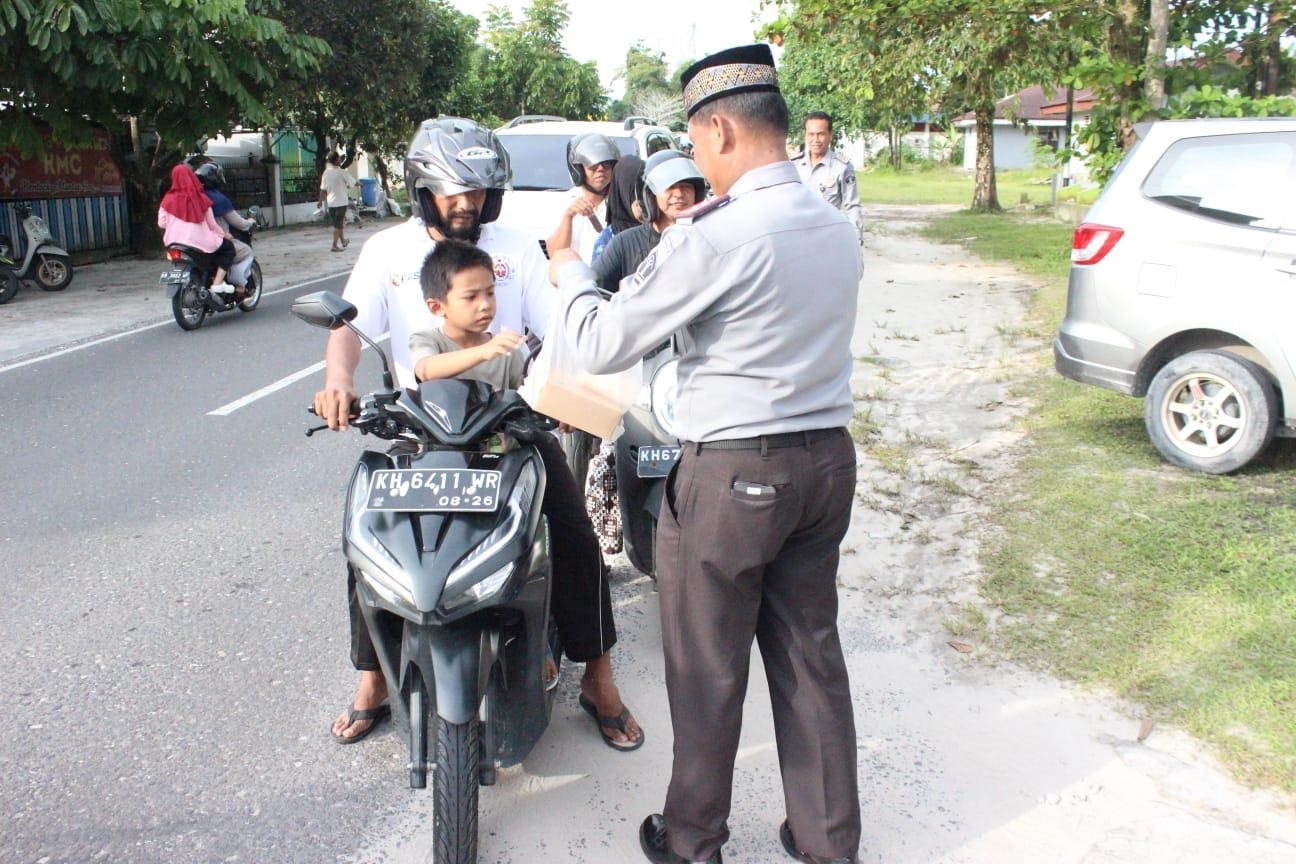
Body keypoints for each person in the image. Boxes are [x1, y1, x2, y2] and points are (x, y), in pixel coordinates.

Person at [548, 45, 862, 864]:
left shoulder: (715, 236)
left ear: (719, 129)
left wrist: (568, 269)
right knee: (809, 658)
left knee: (706, 670)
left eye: (698, 143)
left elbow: (597, 343)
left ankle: (692, 841)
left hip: (735, 475)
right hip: (827, 463)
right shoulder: (834, 223)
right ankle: (829, 842)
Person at [313, 117, 643, 751]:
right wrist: (337, 380)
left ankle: (598, 677)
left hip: (510, 424)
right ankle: (371, 678)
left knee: (574, 536)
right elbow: (347, 330)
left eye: (478, 192)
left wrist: (572, 388)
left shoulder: (518, 247)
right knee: (369, 540)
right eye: (452, 192)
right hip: (420, 430)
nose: (467, 205)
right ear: (421, 190)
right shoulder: (387, 252)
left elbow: (559, 328)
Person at [594, 149, 705, 294]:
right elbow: (594, 291)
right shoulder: (625, 244)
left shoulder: (705, 240)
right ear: (650, 195)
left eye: (686, 187)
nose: (678, 194)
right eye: (669, 187)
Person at [157, 163, 235, 293]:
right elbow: (212, 224)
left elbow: (161, 223)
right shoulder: (201, 198)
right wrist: (224, 234)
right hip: (198, 243)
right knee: (228, 249)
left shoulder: (167, 199)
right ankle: (217, 283)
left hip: (173, 243)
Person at [547, 133, 620, 264]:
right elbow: (555, 253)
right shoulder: (564, 201)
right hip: (575, 280)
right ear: (579, 169)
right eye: (593, 165)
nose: (601, 169)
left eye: (606, 164)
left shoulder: (622, 202)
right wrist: (568, 217)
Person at [795, 112, 863, 242]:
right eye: (811, 134)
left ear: (830, 135)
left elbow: (852, 206)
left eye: (821, 134)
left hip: (828, 237)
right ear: (805, 135)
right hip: (798, 236)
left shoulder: (842, 167)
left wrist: (856, 241)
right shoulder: (794, 165)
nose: (815, 139)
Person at [194, 162, 255, 296]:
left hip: (189, 242)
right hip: (213, 240)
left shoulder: (190, 198)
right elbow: (238, 223)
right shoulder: (216, 200)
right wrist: (249, 222)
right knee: (245, 251)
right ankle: (238, 284)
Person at [591, 154, 645, 264]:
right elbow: (599, 279)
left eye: (645, 191)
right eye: (634, 195)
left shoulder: (659, 229)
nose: (642, 203)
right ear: (623, 195)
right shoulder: (609, 240)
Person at [318, 152, 357, 252]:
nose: (340, 160)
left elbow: (323, 190)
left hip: (331, 204)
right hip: (341, 203)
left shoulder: (326, 173)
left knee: (338, 224)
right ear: (335, 160)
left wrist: (320, 202)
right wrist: (360, 183)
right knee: (338, 225)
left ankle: (343, 241)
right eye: (339, 158)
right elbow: (353, 182)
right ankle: (334, 245)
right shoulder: (341, 172)